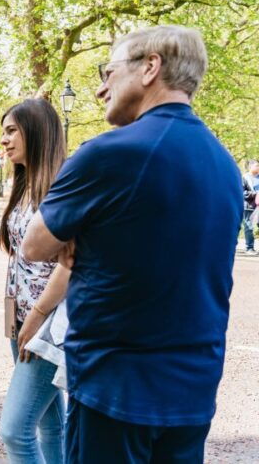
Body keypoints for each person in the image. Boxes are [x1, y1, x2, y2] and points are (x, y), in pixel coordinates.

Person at [22, 25, 242, 463]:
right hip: (193, 390)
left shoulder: (110, 152)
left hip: (116, 389)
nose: (101, 89)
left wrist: (80, 236)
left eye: (108, 72)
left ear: (150, 67)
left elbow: (34, 246)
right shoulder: (225, 164)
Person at [0, 99, 69, 464]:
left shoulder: (62, 188)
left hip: (48, 323)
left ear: (37, 132)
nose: (3, 140)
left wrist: (38, 315)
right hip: (23, 318)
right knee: (51, 424)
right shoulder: (24, 185)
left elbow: (71, 265)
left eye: (12, 131)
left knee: (15, 430)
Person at [241, 160, 259, 255]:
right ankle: (249, 248)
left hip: (258, 207)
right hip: (249, 206)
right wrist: (255, 194)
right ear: (250, 167)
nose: (258, 167)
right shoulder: (245, 177)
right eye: (256, 166)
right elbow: (242, 192)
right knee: (249, 227)